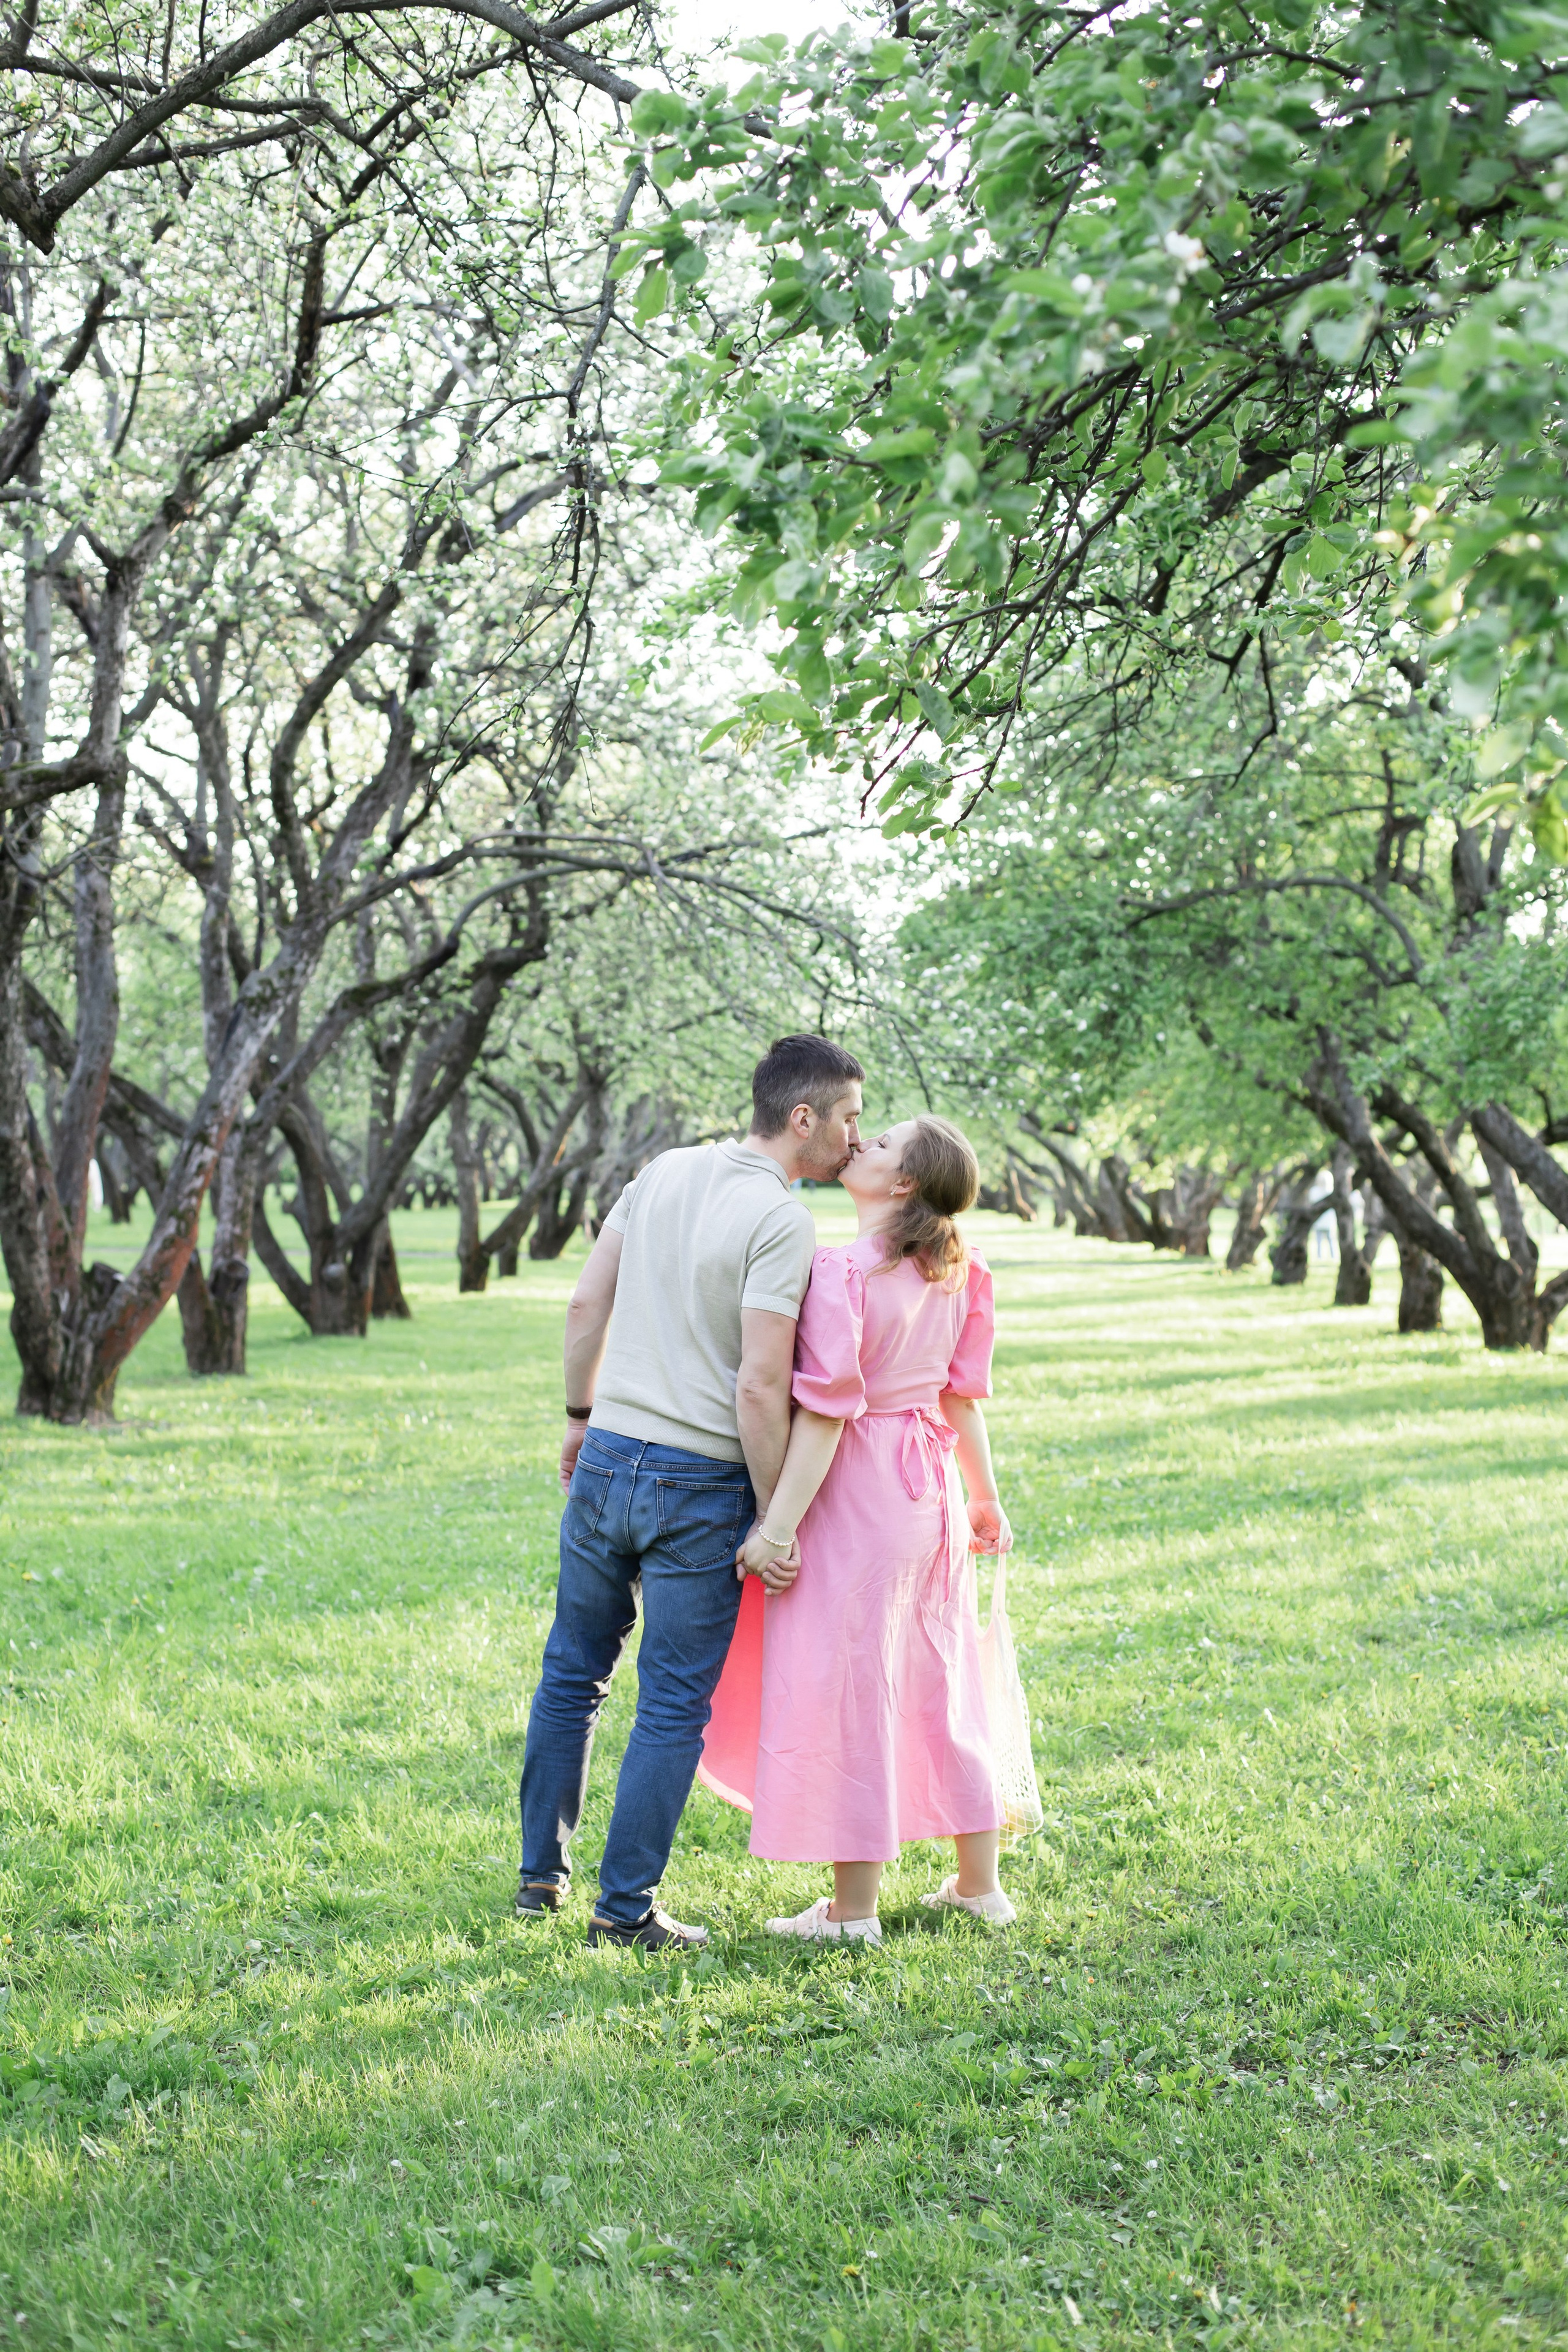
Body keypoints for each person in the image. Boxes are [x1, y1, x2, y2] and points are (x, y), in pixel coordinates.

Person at [515, 1035, 864, 1950]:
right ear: (804, 1118)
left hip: (608, 1455)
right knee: (671, 1701)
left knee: (572, 1672)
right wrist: (772, 1515)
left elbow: (586, 1304)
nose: (857, 1138)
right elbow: (759, 1385)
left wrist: (578, 1414)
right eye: (850, 1118)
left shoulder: (662, 1170)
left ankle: (538, 1881)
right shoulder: (783, 1221)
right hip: (698, 1481)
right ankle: (623, 1913)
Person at [699, 1113, 1014, 1942]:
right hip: (930, 1488)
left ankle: (853, 1911)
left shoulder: (841, 1271)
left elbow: (829, 1414)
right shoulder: (963, 1268)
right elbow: (960, 1396)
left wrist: (778, 1525)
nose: (862, 1142)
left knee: (851, 1689)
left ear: (901, 1184)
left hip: (859, 1490)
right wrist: (983, 1496)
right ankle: (978, 1885)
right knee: (940, 1678)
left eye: (881, 1145)